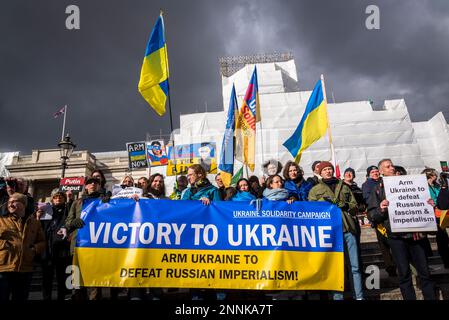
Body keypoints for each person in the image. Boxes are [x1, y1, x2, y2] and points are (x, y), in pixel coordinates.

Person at [367, 158, 436, 300]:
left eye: (392, 165)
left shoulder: (412, 184)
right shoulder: (378, 189)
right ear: (381, 172)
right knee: (404, 275)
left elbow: (422, 202)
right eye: (388, 166)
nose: (392, 168)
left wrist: (428, 204)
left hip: (416, 235)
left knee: (424, 273)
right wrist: (381, 209)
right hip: (396, 238)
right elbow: (372, 215)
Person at [308, 161, 363, 300]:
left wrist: (346, 205)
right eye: (325, 169)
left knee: (354, 267)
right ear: (320, 173)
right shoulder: (315, 190)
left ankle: (359, 297)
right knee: (334, 268)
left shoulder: (343, 186)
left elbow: (355, 206)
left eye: (330, 169)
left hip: (347, 229)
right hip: (329, 233)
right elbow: (311, 211)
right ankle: (337, 297)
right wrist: (323, 204)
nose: (328, 171)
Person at [62, 177, 108, 300]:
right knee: (76, 282)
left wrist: (109, 203)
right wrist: (73, 223)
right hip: (78, 245)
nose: (93, 184)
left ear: (99, 186)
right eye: (89, 183)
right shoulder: (77, 202)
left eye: (96, 182)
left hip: (96, 245)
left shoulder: (104, 201)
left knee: (94, 285)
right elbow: (67, 222)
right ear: (86, 186)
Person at [0, 193, 46, 301]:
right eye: (9, 202)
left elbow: (42, 242)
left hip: (25, 269)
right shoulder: (1, 220)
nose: (10, 204)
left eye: (14, 202)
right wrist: (4, 245)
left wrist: (34, 249)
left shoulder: (35, 223)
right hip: (3, 268)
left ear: (23, 205)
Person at [38, 189, 71, 301]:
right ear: (52, 199)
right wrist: (38, 217)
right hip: (48, 250)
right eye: (55, 197)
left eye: (61, 196)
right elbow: (39, 229)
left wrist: (70, 199)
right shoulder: (45, 210)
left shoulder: (67, 210)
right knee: (47, 279)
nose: (58, 198)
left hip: (62, 250)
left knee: (62, 278)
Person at [424, 169, 449, 269]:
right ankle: (446, 261)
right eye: (435, 174)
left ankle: (446, 261)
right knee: (442, 238)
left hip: (443, 214)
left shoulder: (437, 186)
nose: (437, 176)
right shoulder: (424, 187)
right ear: (431, 176)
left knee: (444, 238)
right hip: (433, 216)